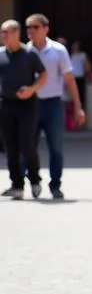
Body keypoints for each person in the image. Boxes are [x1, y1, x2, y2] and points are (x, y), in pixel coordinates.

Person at [26, 14, 85, 200]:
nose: (31, 31)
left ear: (45, 29)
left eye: (35, 27)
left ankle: (55, 185)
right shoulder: (25, 51)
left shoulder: (58, 51)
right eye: (28, 27)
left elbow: (69, 80)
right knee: (28, 146)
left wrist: (78, 107)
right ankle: (33, 180)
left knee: (55, 147)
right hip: (31, 105)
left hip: (53, 104)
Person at [1, 19, 47, 200]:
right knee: (10, 147)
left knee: (26, 144)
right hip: (6, 104)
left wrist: (32, 89)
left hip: (27, 105)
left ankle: (35, 179)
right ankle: (17, 185)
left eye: (7, 32)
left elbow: (43, 75)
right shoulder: (0, 55)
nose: (3, 35)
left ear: (17, 33)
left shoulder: (29, 55)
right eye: (2, 32)